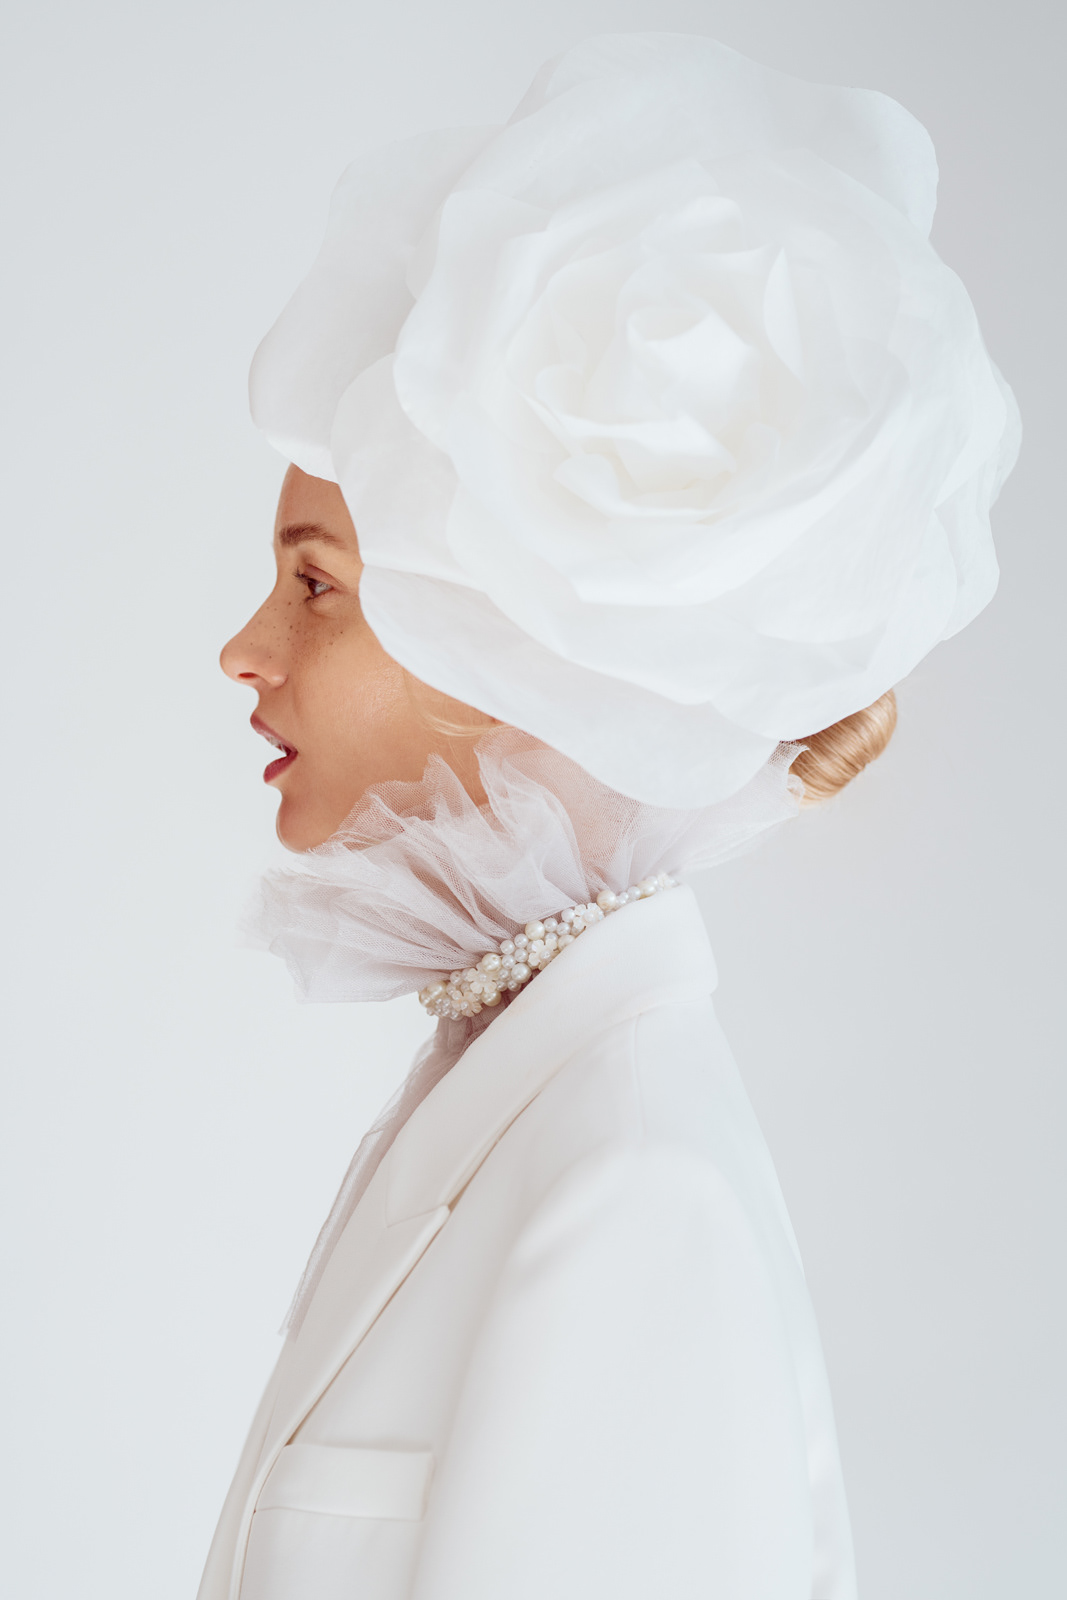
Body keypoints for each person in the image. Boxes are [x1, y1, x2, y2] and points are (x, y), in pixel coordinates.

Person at [198, 34, 1018, 1600]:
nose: (244, 648)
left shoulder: (632, 1183)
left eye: (318, 585)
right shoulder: (513, 1082)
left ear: (512, 656)